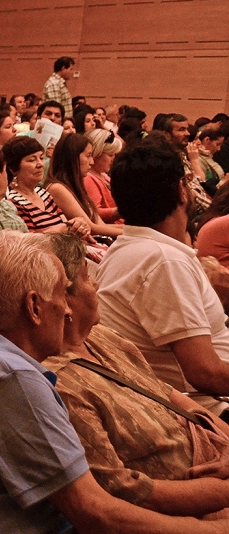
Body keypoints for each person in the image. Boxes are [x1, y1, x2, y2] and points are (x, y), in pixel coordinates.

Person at [0, 230, 229, 533]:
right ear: (34, 306)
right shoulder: (11, 378)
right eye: (60, 294)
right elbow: (96, 515)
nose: (66, 309)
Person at [44, 233, 229, 517]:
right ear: (64, 300)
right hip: (196, 507)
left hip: (212, 454)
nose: (96, 285)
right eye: (86, 277)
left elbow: (168, 394)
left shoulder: (99, 337)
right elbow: (125, 493)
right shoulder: (60, 384)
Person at [98, 139, 229, 414]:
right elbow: (205, 374)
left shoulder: (130, 250)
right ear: (181, 190)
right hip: (207, 412)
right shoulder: (163, 262)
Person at [4, 136, 92, 240]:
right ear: (13, 169)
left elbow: (65, 224)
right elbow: (30, 242)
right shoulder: (13, 201)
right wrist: (61, 229)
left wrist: (79, 226)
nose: (40, 164)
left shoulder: (43, 193)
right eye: (32, 160)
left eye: (41, 158)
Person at [45, 133, 123, 239]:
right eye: (88, 156)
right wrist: (133, 233)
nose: (92, 162)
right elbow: (92, 228)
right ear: (72, 157)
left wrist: (136, 230)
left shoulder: (77, 185)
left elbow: (101, 226)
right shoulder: (57, 188)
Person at [83, 127, 123, 224]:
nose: (113, 159)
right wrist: (125, 209)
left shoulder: (102, 174)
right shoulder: (88, 178)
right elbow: (95, 213)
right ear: (97, 153)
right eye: (110, 155)